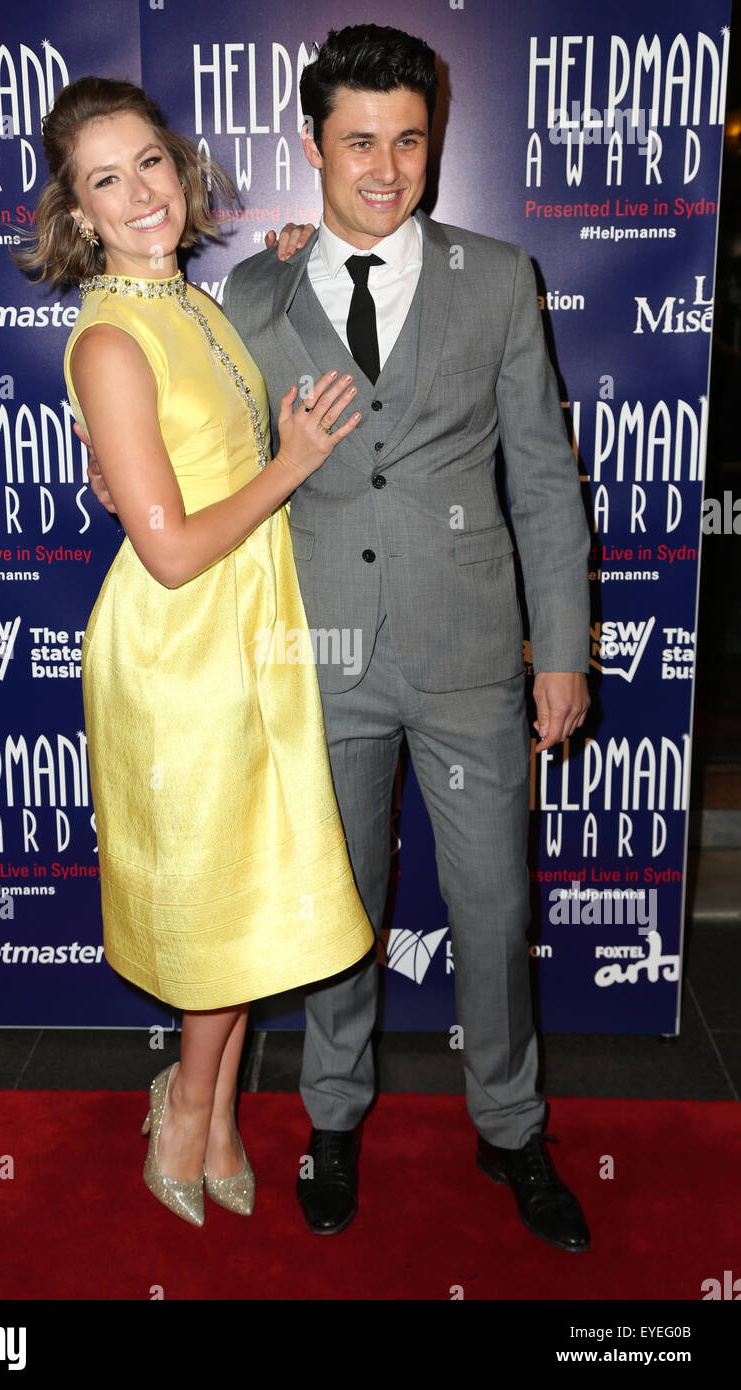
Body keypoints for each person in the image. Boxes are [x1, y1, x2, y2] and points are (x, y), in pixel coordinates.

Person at [87, 24, 594, 1253]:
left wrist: (559, 648)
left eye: (407, 140)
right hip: (309, 659)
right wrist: (116, 475)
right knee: (331, 914)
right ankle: (330, 1122)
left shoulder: (497, 275)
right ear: (310, 144)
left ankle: (511, 1131)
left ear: (432, 146)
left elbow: (541, 476)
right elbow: (185, 433)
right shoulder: (248, 295)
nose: (383, 167)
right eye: (357, 140)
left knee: (490, 907)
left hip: (472, 652)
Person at [12, 74, 375, 1230]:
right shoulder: (113, 341)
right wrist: (292, 462)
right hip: (181, 645)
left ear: (183, 168)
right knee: (211, 898)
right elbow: (167, 553)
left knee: (246, 891)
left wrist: (284, 257)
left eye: (149, 164)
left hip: (250, 628)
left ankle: (207, 1106)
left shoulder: (199, 304)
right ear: (77, 216)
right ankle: (184, 1107)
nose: (138, 194)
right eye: (103, 181)